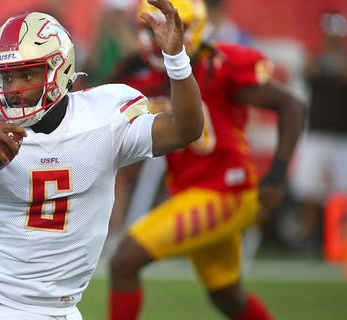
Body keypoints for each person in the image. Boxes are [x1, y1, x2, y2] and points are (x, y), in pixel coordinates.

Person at [0, 0, 203, 318]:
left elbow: (185, 129)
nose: (14, 89)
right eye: (7, 77)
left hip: (51, 310)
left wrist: (176, 60)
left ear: (60, 69)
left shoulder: (104, 117)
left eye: (27, 75)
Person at [108, 0, 306, 319]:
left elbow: (292, 105)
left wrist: (277, 173)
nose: (157, 37)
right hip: (192, 191)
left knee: (124, 260)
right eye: (148, 29)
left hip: (226, 190)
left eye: (170, 28)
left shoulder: (220, 62)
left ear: (191, 30)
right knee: (226, 296)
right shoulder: (138, 76)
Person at [289, 10, 347, 255]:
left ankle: (340, 239)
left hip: (342, 136)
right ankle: (307, 238)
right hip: (316, 134)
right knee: (309, 190)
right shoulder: (316, 59)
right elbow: (307, 73)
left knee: (342, 192)